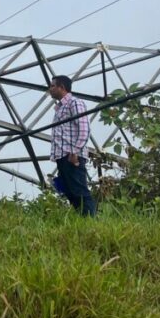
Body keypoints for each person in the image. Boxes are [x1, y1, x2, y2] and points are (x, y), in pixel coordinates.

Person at [47, 74, 96, 216]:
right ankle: (82, 217)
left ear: (61, 87)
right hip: (62, 155)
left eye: (52, 86)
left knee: (79, 190)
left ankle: (90, 220)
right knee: (67, 189)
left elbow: (84, 128)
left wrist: (74, 152)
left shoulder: (75, 103)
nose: (50, 89)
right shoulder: (60, 108)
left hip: (71, 155)